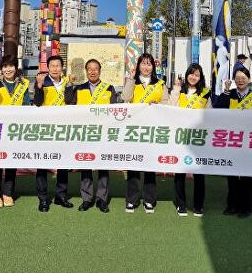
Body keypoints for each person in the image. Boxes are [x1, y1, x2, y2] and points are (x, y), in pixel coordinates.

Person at [65, 58, 118, 213]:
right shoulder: (79, 88)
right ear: (86, 71)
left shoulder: (109, 88)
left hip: (103, 134)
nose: (93, 71)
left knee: (103, 167)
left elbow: (114, 110)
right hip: (85, 133)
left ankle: (102, 199)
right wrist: (69, 85)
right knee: (86, 166)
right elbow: (68, 101)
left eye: (96, 68)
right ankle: (87, 199)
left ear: (100, 71)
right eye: (90, 68)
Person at [215, 65, 252, 218]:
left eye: (243, 78)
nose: (240, 80)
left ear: (249, 80)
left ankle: (246, 207)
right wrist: (224, 92)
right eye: (237, 78)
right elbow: (216, 110)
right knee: (231, 175)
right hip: (232, 141)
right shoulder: (228, 95)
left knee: (246, 176)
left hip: (249, 142)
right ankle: (232, 205)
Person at [122, 53, 169, 213]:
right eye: (143, 64)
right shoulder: (133, 82)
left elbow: (167, 103)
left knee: (150, 166)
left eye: (149, 64)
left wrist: (158, 104)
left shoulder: (160, 84)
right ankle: (132, 200)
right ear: (138, 66)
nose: (146, 67)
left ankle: (149, 200)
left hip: (152, 130)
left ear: (153, 67)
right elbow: (125, 97)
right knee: (133, 165)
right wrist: (130, 79)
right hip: (135, 130)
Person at [0, 54, 30, 208]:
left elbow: (27, 105)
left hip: (15, 130)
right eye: (5, 66)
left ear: (15, 68)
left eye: (11, 66)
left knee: (12, 161)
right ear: (1, 69)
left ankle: (7, 193)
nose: (8, 69)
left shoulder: (24, 84)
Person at [170, 63, 211, 217]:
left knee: (199, 173)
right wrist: (175, 89)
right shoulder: (178, 91)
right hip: (180, 136)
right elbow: (171, 107)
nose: (193, 77)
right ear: (187, 74)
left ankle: (198, 205)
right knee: (179, 172)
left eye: (197, 75)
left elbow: (210, 114)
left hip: (198, 138)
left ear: (201, 77)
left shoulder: (206, 93)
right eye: (191, 74)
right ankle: (181, 204)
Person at [33, 55, 73, 212]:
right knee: (42, 164)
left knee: (63, 163)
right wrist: (39, 86)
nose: (55, 68)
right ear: (48, 68)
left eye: (58, 65)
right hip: (46, 129)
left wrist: (69, 85)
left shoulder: (67, 81)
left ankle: (61, 196)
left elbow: (70, 101)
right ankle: (43, 199)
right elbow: (37, 102)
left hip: (63, 128)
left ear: (62, 67)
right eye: (52, 66)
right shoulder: (43, 81)